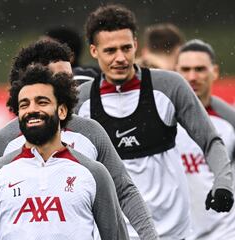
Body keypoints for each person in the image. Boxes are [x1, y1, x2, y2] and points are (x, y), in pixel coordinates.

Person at [76, 4, 234, 239]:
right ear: (94, 51)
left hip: (173, 231)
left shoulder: (170, 86)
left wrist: (223, 182)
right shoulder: (82, 100)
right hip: (119, 232)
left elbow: (210, 140)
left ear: (136, 46)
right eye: (110, 51)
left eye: (126, 48)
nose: (120, 58)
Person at [0, 39, 159, 239]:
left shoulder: (91, 132)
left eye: (71, 78)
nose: (73, 87)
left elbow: (124, 191)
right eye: (62, 79)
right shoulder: (1, 143)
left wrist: (150, 237)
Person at [0, 65, 130, 239]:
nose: (32, 109)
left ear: (62, 110)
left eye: (42, 102)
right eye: (24, 104)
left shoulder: (94, 173)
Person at [175, 39, 235, 239]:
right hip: (174, 230)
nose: (192, 77)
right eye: (186, 69)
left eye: (200, 69)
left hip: (223, 232)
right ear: (175, 71)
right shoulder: (161, 118)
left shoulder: (229, 122)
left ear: (215, 72)